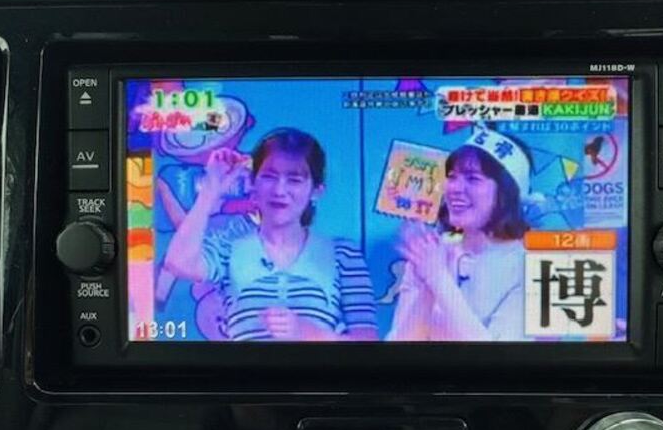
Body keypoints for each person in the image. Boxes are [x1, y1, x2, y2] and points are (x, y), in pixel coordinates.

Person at [164, 128, 378, 341]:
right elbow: (178, 263)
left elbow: (367, 343)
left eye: (294, 180)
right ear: (252, 183)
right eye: (269, 176)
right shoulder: (228, 248)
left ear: (316, 191)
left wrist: (309, 333)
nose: (279, 190)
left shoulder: (343, 254)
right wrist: (211, 190)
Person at [387, 129, 529, 341]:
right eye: (452, 177)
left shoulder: (529, 265)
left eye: (473, 179)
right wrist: (427, 286)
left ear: (506, 193)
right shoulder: (431, 252)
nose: (454, 188)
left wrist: (438, 278)